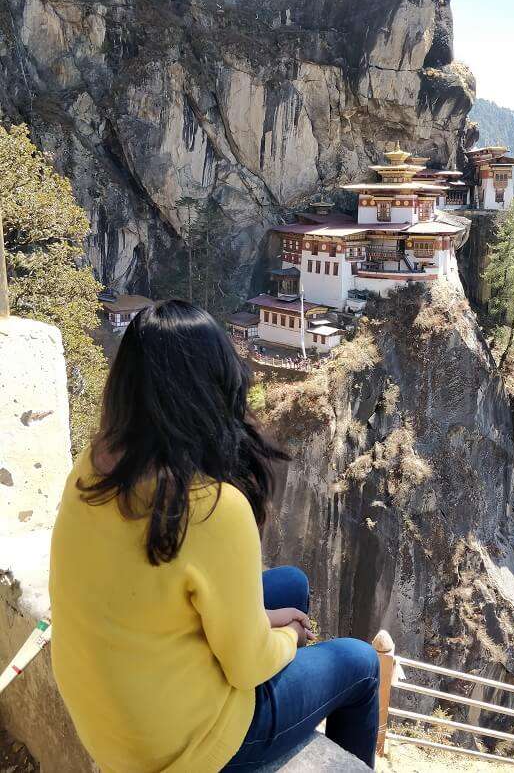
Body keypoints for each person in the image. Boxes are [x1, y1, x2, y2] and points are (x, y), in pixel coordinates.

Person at [49, 299, 379, 773]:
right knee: (361, 662)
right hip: (181, 746)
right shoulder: (210, 508)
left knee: (291, 583)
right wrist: (287, 635)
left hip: (110, 719)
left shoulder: (94, 465)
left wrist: (265, 618)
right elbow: (247, 665)